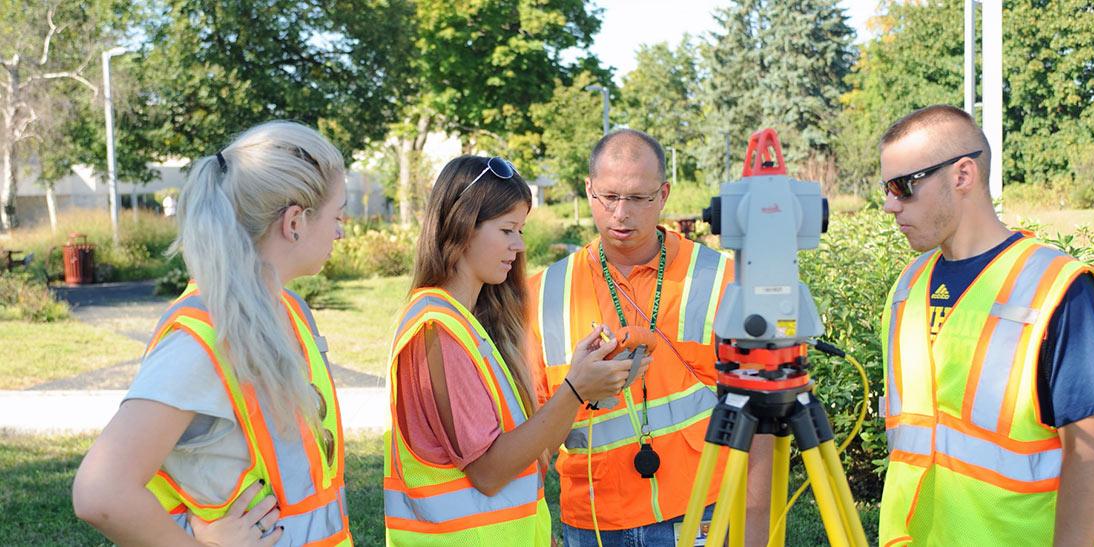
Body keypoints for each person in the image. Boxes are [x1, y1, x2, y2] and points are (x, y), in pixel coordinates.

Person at [73, 121, 352, 546]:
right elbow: (100, 492)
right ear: (294, 221)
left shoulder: (291, 312)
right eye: (338, 214)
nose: (340, 231)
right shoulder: (202, 340)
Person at [876, 105, 1094, 546]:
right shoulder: (907, 286)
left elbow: (1089, 453)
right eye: (885, 188)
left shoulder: (1054, 287)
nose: (889, 205)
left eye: (902, 187)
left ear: (963, 175)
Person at [527, 129, 772, 546]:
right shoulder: (542, 294)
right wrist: (532, 529)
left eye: (638, 198)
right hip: (592, 522)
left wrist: (754, 531)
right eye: (608, 196)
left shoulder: (722, 279)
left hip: (702, 512)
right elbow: (530, 434)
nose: (621, 214)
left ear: (663, 194)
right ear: (588, 190)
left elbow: (762, 417)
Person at [384, 155, 642, 545]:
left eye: (520, 230)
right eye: (507, 230)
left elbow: (527, 459)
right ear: (462, 227)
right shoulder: (437, 330)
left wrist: (587, 387)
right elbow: (489, 473)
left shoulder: (471, 325)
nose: (519, 246)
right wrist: (574, 391)